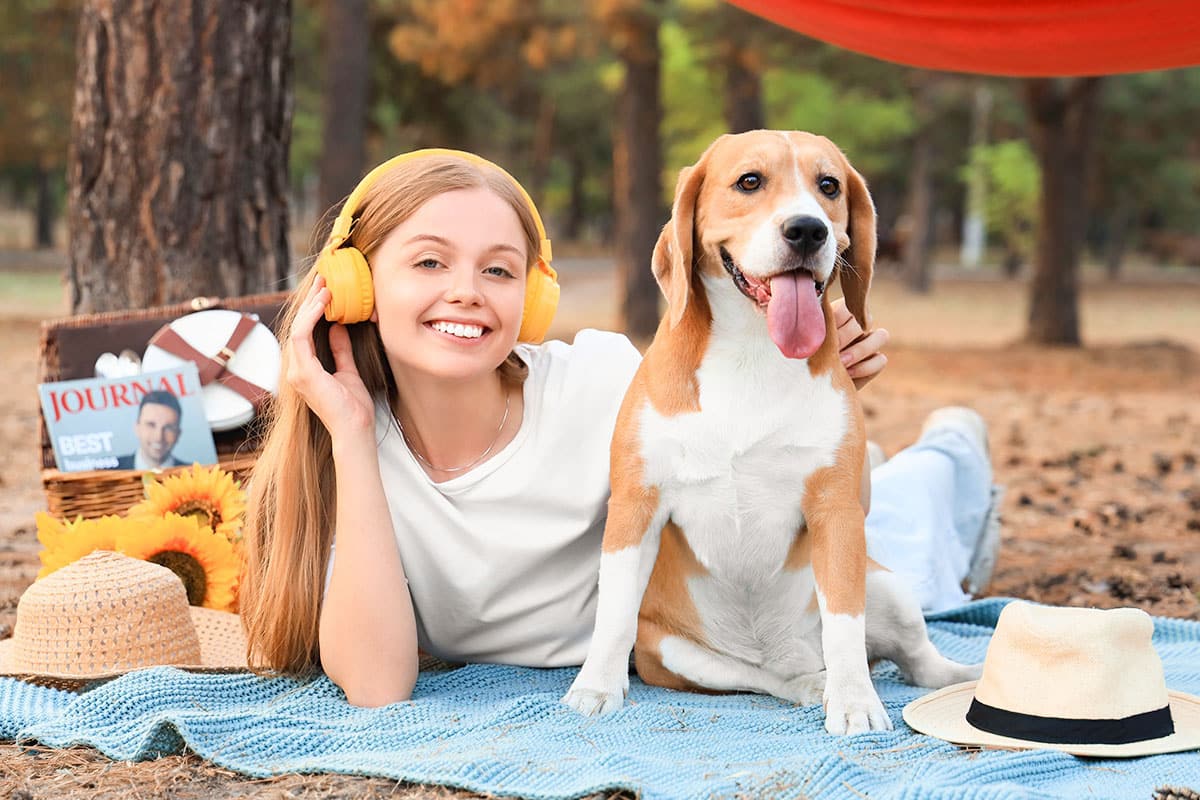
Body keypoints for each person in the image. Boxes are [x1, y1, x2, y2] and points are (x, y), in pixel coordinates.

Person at [240, 150, 1000, 708]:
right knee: (913, 510)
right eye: (429, 263)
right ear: (356, 286)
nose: (465, 293)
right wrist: (346, 430)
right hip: (707, 628)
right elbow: (376, 688)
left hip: (779, 572)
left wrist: (828, 403)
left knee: (914, 526)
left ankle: (953, 444)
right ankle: (939, 457)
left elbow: (804, 494)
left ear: (534, 299)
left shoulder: (600, 380)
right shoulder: (354, 451)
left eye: (500, 271)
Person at [115, 390, 186, 470]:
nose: (158, 437)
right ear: (137, 428)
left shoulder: (195, 473)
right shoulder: (108, 471)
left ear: (178, 434)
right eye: (151, 425)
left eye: (168, 428)